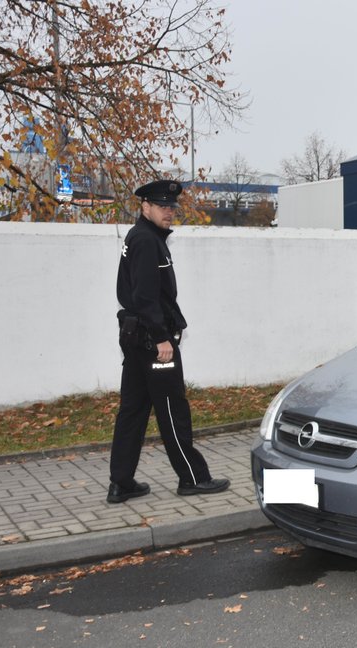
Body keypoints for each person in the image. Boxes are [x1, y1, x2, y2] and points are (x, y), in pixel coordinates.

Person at [107, 179, 230, 504]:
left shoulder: (140, 236)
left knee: (132, 411)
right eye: (162, 206)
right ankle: (193, 478)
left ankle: (121, 482)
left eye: (171, 207)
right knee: (173, 408)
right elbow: (145, 296)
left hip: (135, 339)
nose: (169, 212)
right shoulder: (147, 241)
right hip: (151, 340)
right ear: (145, 206)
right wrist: (162, 339)